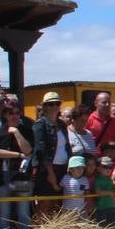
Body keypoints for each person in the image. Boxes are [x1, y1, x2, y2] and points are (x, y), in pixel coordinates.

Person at [0, 105, 32, 229]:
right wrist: (18, 155)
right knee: (4, 212)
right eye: (10, 113)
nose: (14, 116)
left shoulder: (26, 130)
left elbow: (28, 150)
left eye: (17, 113)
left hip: (21, 177)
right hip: (1, 177)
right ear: (5, 115)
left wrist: (17, 133)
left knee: (23, 211)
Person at [31, 92, 67, 221]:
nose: (54, 106)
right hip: (45, 169)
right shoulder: (39, 124)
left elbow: (66, 147)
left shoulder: (62, 125)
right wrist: (50, 173)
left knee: (58, 203)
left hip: (62, 168)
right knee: (44, 204)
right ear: (44, 106)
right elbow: (41, 150)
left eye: (57, 103)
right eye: (50, 104)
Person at [85, 91, 115, 155]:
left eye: (109, 103)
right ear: (96, 103)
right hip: (95, 160)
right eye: (104, 102)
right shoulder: (89, 120)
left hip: (111, 160)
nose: (107, 105)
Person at [93, 156, 115, 227]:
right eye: (105, 167)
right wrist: (110, 192)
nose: (108, 169)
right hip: (101, 208)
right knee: (102, 227)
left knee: (112, 226)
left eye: (110, 167)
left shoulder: (110, 180)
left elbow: (113, 192)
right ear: (98, 168)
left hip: (112, 206)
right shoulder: (98, 180)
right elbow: (98, 192)